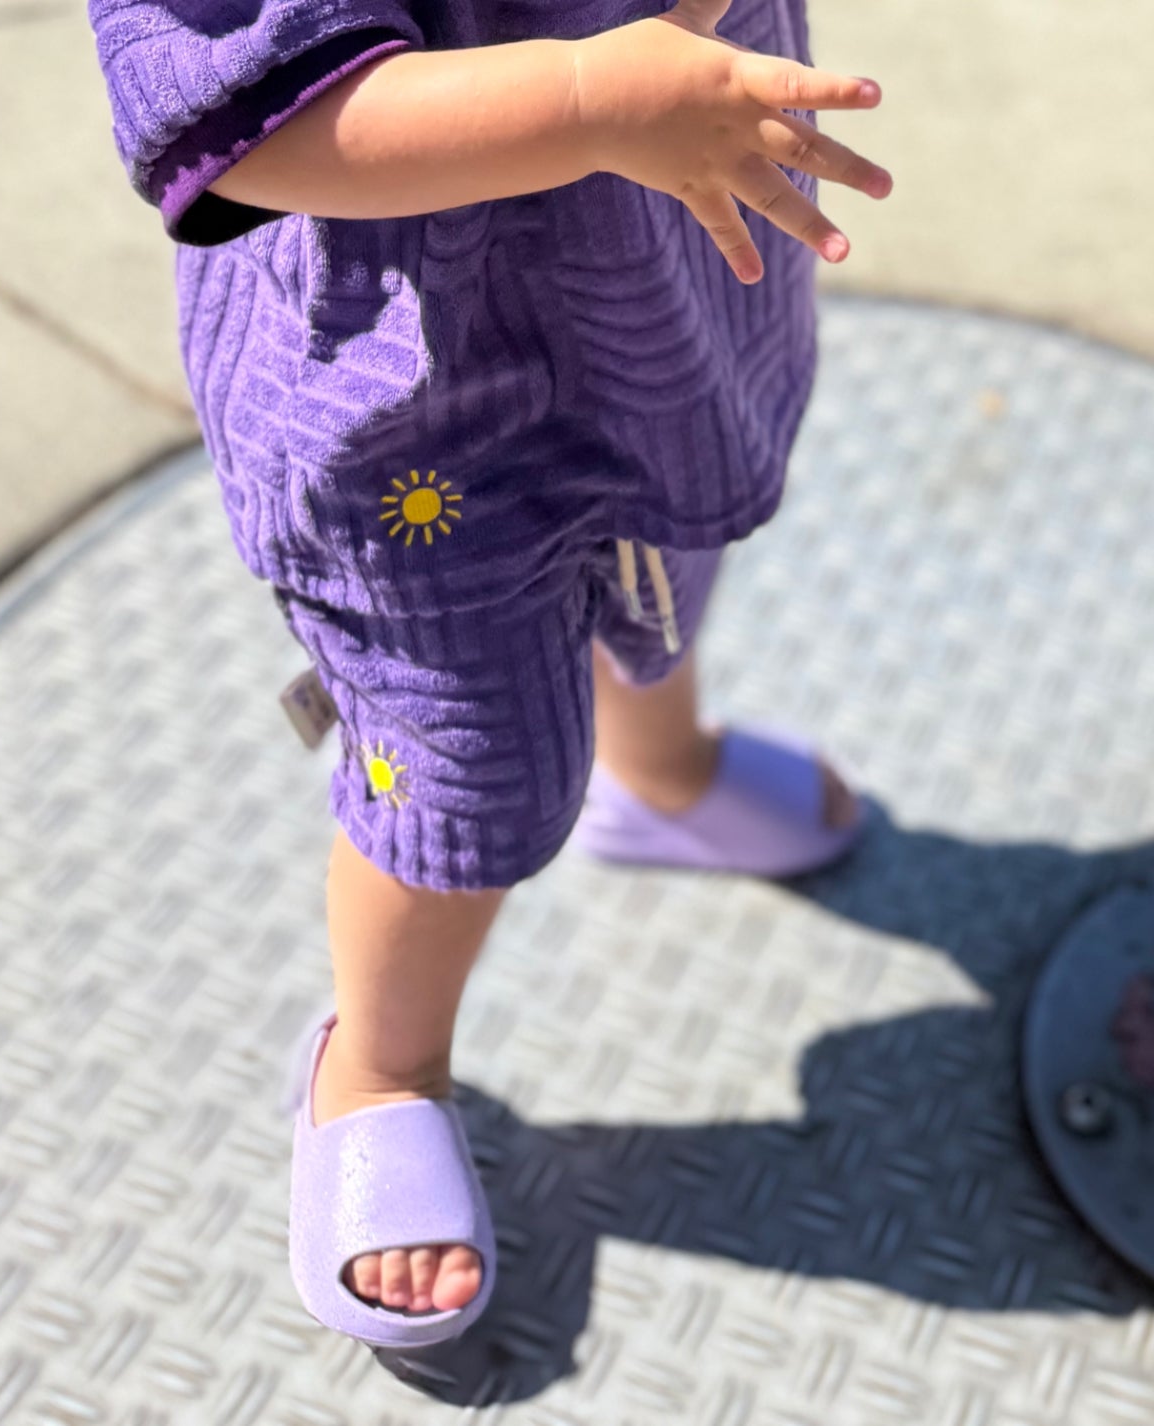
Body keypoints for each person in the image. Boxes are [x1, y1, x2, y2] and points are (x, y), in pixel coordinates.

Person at [85, 0, 889, 1348]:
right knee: (467, 763)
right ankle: (379, 1067)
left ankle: (660, 774)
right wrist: (585, 98)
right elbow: (255, 127)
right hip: (419, 412)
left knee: (665, 557)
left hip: (666, 292)